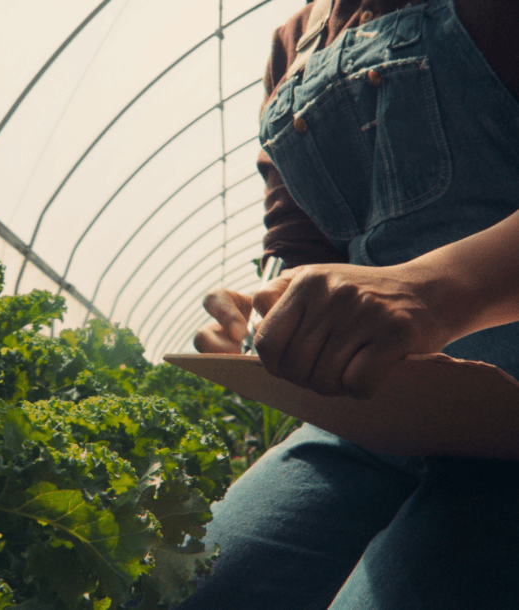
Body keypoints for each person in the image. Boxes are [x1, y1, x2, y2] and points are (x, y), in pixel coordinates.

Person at [178, 0, 519, 608]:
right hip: (369, 411)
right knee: (194, 585)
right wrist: (263, 315)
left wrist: (434, 291)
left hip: (509, 407)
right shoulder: (295, 43)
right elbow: (299, 245)